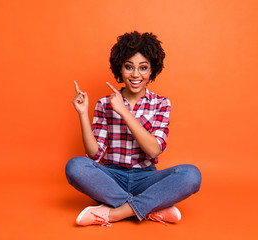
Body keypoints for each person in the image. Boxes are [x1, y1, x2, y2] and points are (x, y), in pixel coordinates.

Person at [65, 31, 201, 227]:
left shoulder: (161, 103)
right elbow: (94, 155)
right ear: (120, 68)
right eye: (129, 67)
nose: (136, 75)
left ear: (151, 70)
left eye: (143, 68)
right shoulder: (104, 103)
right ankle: (150, 207)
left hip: (147, 177)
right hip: (112, 178)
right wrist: (82, 113)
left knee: (191, 175)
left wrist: (123, 111)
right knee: (75, 166)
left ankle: (114, 213)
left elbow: (154, 150)